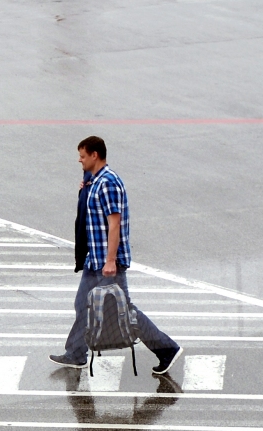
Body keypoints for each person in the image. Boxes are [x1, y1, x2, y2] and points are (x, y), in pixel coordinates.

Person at [50, 136, 183, 375]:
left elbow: (115, 224)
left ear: (95, 155)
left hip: (107, 262)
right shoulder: (94, 182)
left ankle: (167, 349)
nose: (79, 160)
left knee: (126, 312)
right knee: (82, 305)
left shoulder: (109, 183)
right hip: (95, 260)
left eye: (82, 156)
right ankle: (76, 353)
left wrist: (111, 260)